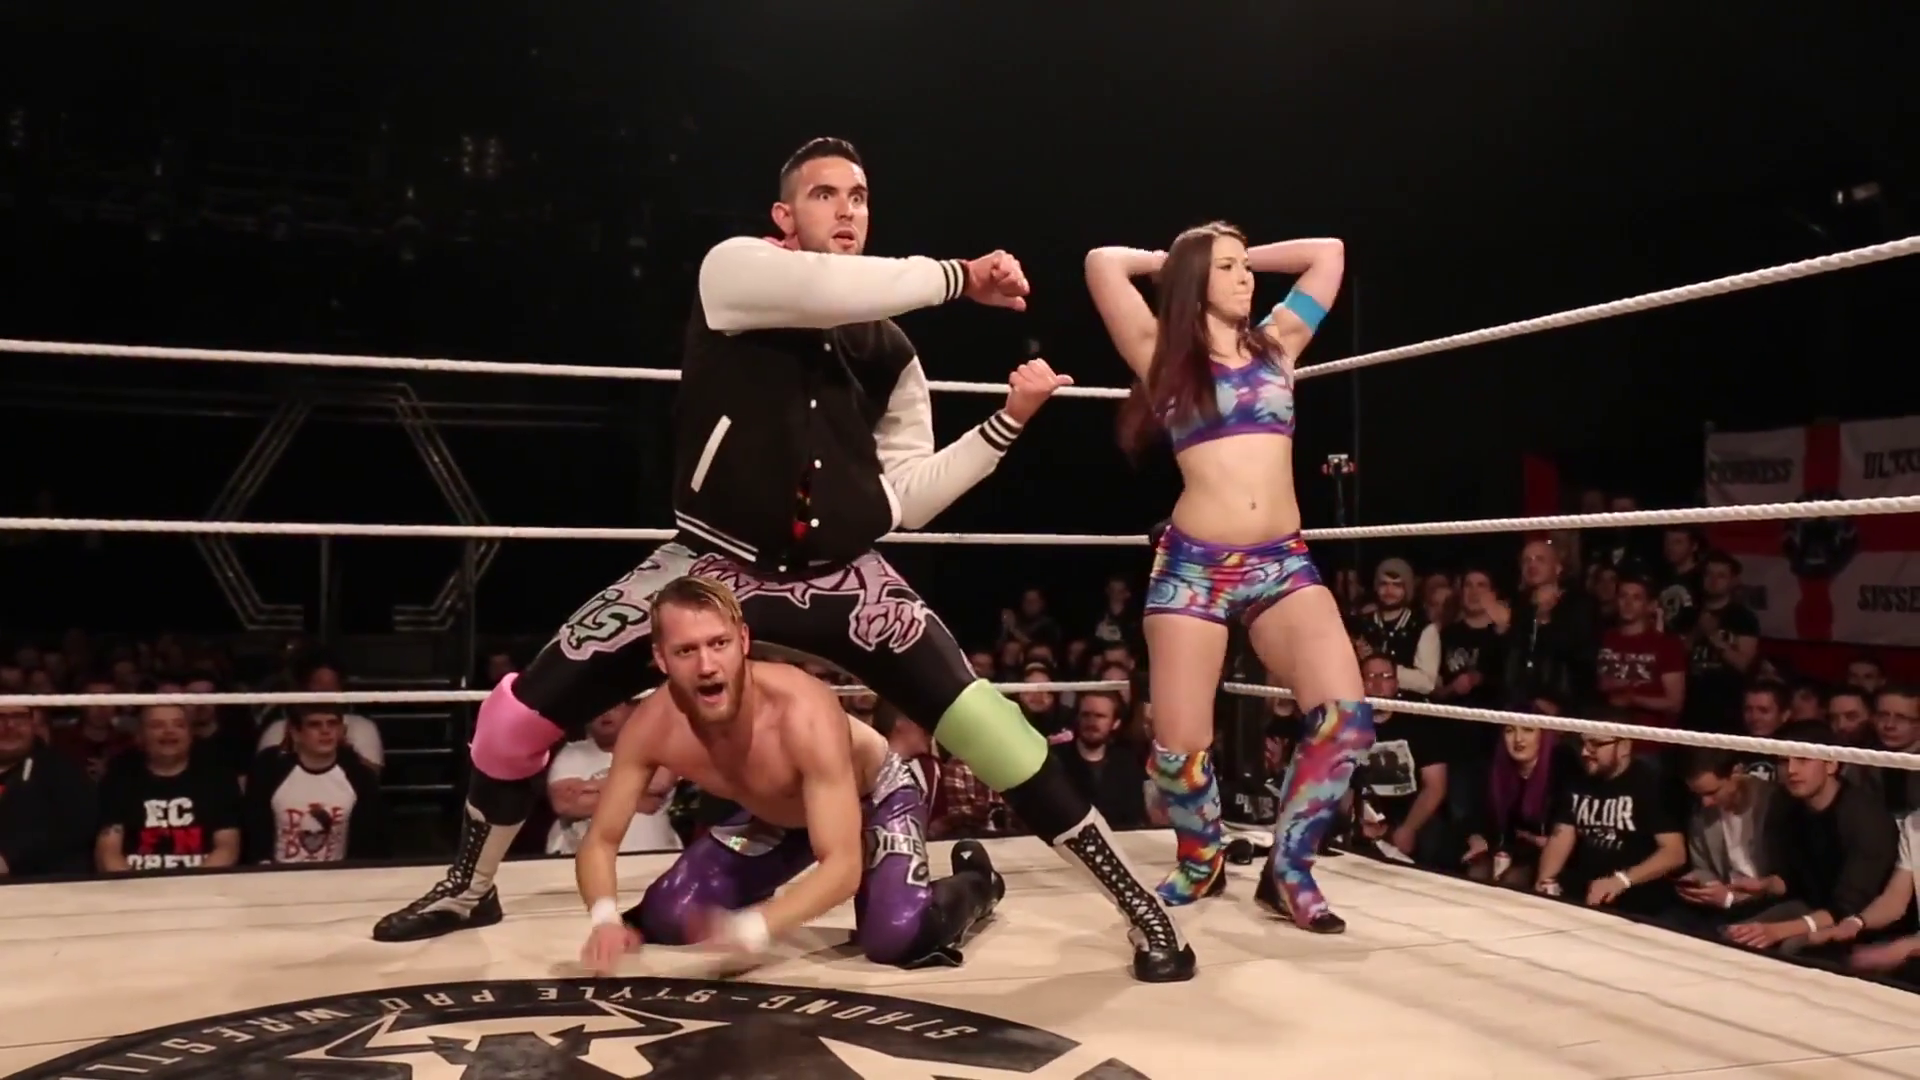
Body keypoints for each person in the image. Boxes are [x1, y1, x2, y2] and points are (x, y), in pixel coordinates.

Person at [377, 136, 1193, 983]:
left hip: (841, 574)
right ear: (784, 214)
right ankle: (469, 884)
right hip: (710, 564)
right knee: (513, 720)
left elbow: (906, 497)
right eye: (824, 194)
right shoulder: (733, 271)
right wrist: (960, 277)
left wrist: (1004, 426)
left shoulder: (890, 351)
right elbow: (821, 289)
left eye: (859, 197)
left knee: (995, 731)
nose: (846, 210)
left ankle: (1137, 906)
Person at [1085, 222, 1370, 931]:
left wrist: (1236, 253)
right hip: (1194, 566)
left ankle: (1290, 870)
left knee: (1346, 719)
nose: (1246, 278)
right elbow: (1102, 263)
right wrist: (1178, 260)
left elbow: (1328, 253)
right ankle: (1201, 856)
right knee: (1179, 749)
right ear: (1195, 282)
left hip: (1282, 561)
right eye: (1229, 269)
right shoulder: (1161, 354)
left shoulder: (1278, 342)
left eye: (1247, 267)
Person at [577, 576, 1003, 972]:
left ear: (743, 640)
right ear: (661, 658)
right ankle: (754, 885)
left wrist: (758, 926)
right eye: (686, 651)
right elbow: (600, 840)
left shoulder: (801, 710)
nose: (707, 665)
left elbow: (841, 866)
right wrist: (605, 918)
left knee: (897, 934)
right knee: (671, 913)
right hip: (780, 817)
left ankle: (978, 883)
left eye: (719, 643)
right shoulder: (651, 727)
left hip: (873, 798)